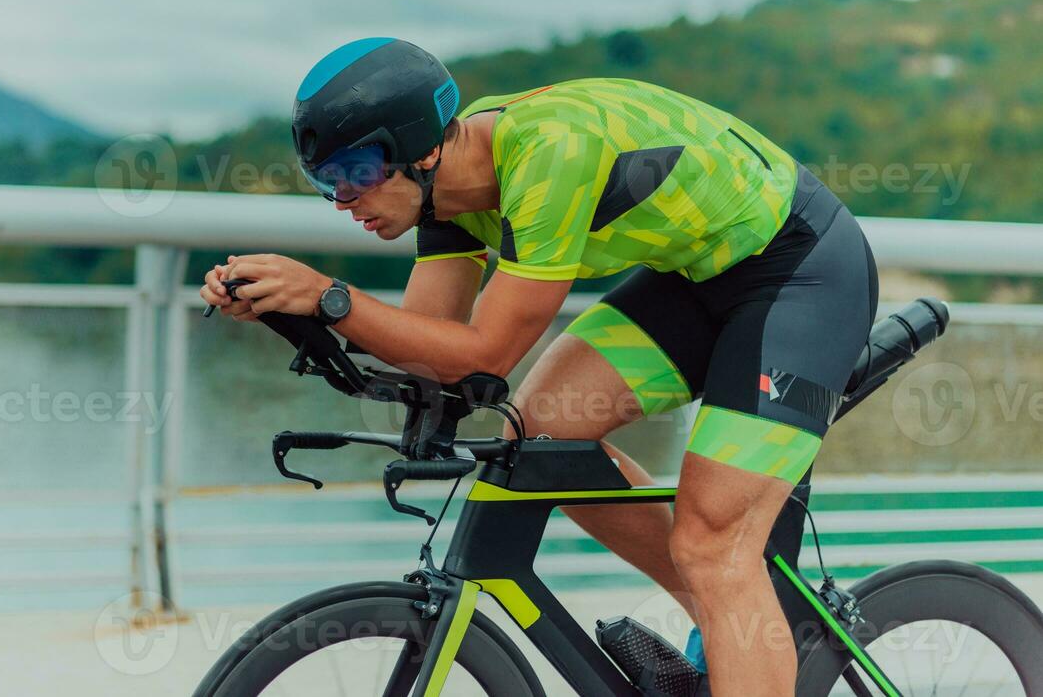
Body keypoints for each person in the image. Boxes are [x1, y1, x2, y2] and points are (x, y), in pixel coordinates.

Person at [200, 37, 878, 697]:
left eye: (355, 174)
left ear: (425, 150)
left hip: (800, 272)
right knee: (541, 434)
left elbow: (487, 354)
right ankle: (729, 618)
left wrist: (328, 295)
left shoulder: (546, 156)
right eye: (326, 181)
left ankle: (726, 594)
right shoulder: (450, 196)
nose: (343, 201)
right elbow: (431, 355)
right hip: (697, 278)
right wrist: (289, 313)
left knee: (715, 545)